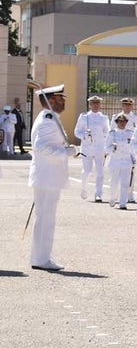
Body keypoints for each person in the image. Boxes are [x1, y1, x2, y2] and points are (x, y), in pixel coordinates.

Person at [28, 85, 73, 271]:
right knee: (46, 219)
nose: (64, 101)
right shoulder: (47, 120)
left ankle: (41, 257)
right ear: (51, 100)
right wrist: (66, 152)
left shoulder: (50, 118)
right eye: (61, 98)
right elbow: (41, 147)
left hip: (47, 177)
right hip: (47, 177)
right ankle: (41, 259)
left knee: (45, 219)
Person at [75, 95, 110, 202]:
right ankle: (84, 188)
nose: (95, 105)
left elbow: (107, 132)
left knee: (100, 172)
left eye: (97, 103)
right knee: (87, 170)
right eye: (93, 103)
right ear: (90, 105)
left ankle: (98, 194)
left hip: (99, 148)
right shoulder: (84, 117)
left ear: (100, 105)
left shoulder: (104, 118)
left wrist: (105, 145)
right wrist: (85, 135)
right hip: (87, 148)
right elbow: (77, 132)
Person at [105, 113, 136, 209]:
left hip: (126, 161)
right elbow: (106, 148)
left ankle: (122, 203)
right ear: (116, 122)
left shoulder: (131, 134)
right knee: (114, 182)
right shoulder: (112, 133)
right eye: (120, 121)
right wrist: (112, 149)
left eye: (124, 121)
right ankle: (113, 197)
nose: (122, 123)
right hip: (115, 160)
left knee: (125, 183)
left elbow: (133, 148)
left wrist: (134, 160)